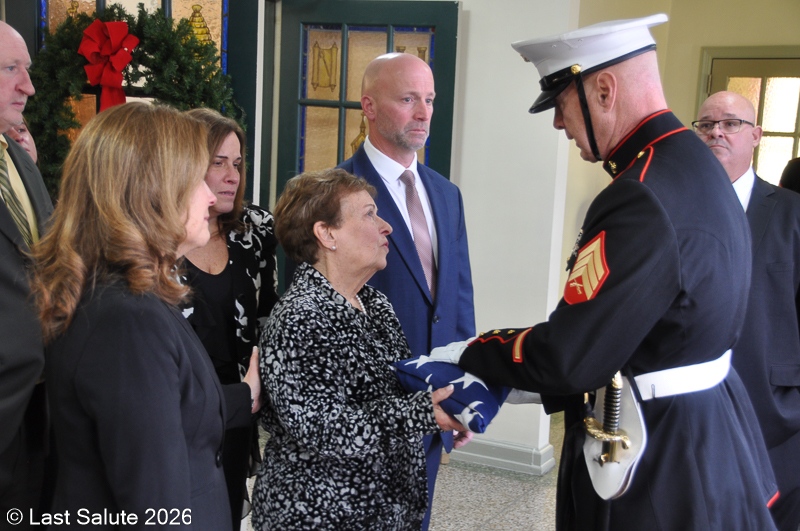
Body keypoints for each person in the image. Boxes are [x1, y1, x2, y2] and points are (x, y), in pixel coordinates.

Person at [429, 14, 779, 530]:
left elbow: (571, 356)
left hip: (659, 454)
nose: (557, 123)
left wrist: (468, 353)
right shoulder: (692, 161)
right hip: (707, 428)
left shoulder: (640, 192)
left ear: (605, 90)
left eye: (560, 103)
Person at [30, 102, 261, 530]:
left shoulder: (129, 300)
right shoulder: (128, 320)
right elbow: (154, 508)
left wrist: (245, 394)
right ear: (153, 193)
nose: (212, 196)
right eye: (196, 179)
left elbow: (175, 410)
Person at [251, 168, 468, 530]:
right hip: (319, 514)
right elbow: (322, 428)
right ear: (326, 234)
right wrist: (421, 414)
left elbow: (394, 390)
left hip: (382, 510)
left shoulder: (374, 303)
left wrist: (450, 406)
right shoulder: (299, 317)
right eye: (369, 215)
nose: (387, 227)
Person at [337, 52, 475, 529]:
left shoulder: (447, 194)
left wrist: (464, 391)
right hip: (366, 413)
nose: (423, 113)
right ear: (369, 106)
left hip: (433, 405)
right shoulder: (334, 194)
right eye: (408, 99)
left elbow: (457, 298)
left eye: (430, 100)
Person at [694, 90, 800, 531]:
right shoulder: (672, 208)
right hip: (689, 412)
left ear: (755, 135)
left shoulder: (793, 213)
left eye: (730, 123)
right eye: (706, 124)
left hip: (776, 414)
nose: (716, 132)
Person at [181, 107, 279, 529]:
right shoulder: (158, 235)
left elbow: (268, 313)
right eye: (218, 163)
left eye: (237, 164)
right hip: (179, 408)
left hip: (239, 403)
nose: (232, 176)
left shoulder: (254, 228)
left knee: (223, 511)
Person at [0, 20, 54, 526]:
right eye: (11, 69)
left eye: (28, 70)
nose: (29, 86)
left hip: (42, 408)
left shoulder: (20, 156)